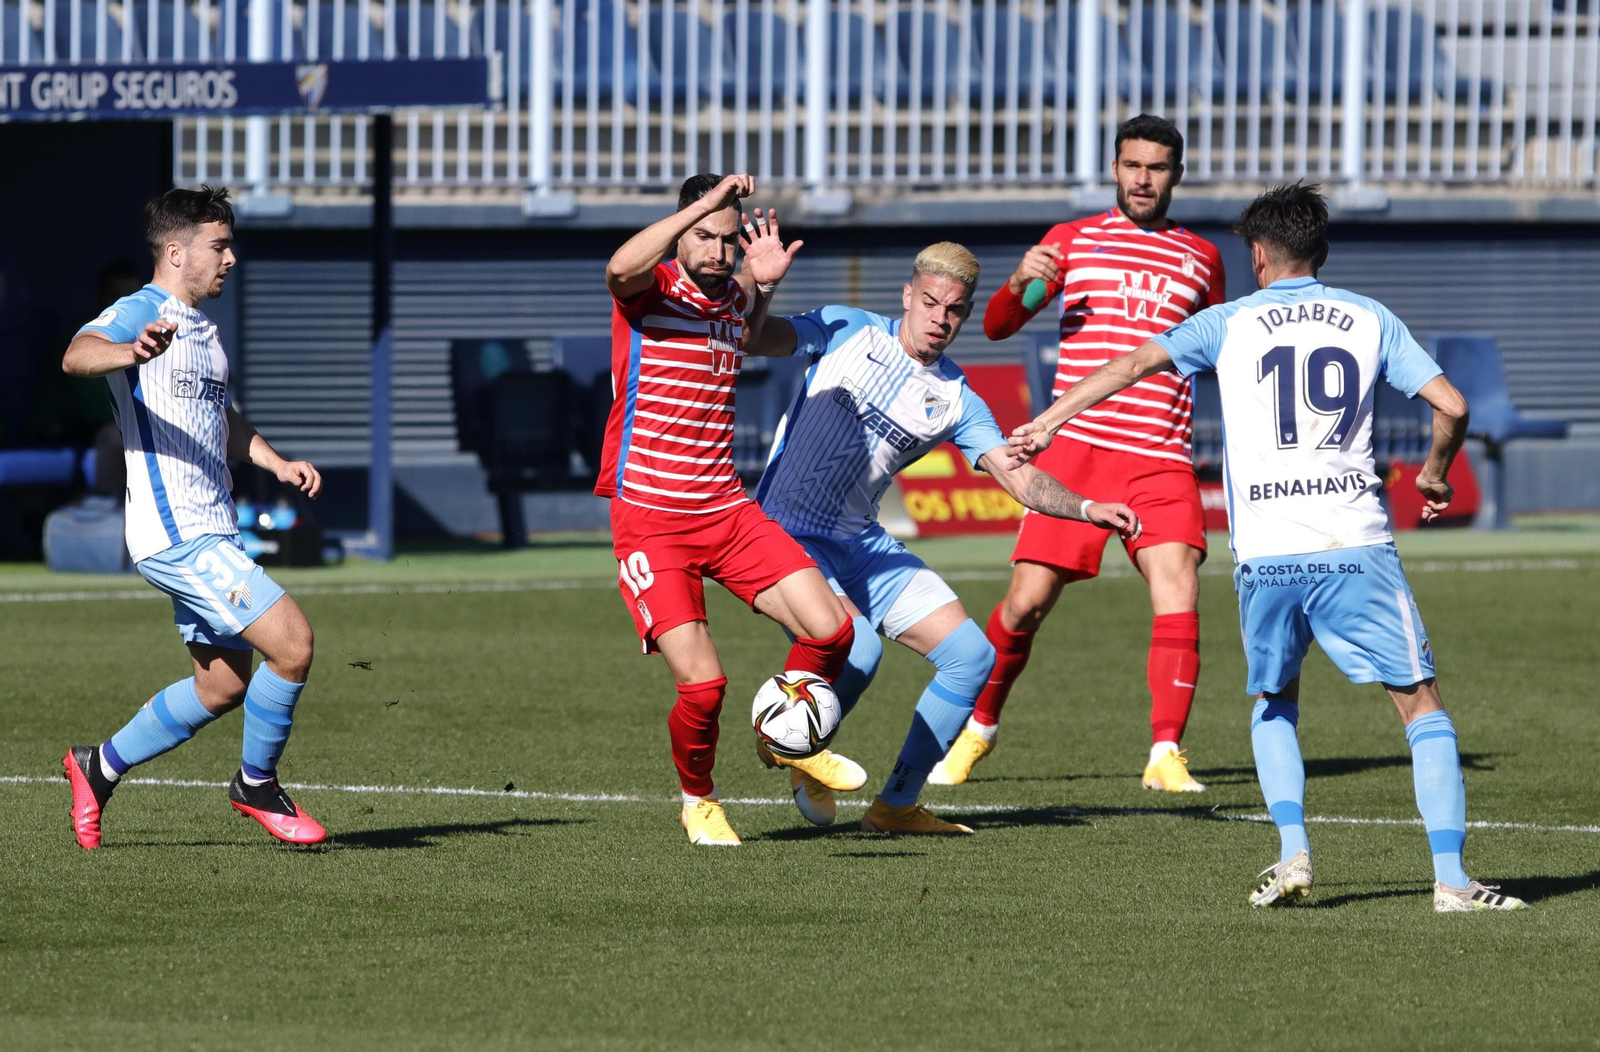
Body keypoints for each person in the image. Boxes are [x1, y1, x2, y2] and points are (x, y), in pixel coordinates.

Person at [1005, 182, 1526, 912]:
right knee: (1419, 705)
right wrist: (1435, 473)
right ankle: (1451, 881)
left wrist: (1048, 422)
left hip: (1267, 554)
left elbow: (1126, 367)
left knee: (1275, 700)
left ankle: (1291, 857)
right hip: (1353, 544)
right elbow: (1453, 404)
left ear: (1257, 254)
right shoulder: (1367, 316)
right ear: (1323, 251)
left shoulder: (1225, 322)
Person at [748, 242, 1140, 834]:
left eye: (953, 310)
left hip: (859, 541)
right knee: (859, 648)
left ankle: (895, 805)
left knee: (971, 657)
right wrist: (764, 285)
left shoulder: (957, 398)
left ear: (965, 313)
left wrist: (1086, 507)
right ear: (907, 295)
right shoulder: (849, 329)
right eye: (929, 302)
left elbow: (1018, 476)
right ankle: (796, 748)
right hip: (782, 531)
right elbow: (756, 338)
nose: (939, 318)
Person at [939, 114, 1226, 793]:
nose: (1144, 178)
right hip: (1078, 452)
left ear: (1176, 174)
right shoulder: (1071, 242)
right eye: (1133, 165)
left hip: (1161, 454)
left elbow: (1219, 344)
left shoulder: (1203, 259)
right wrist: (1018, 282)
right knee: (1025, 604)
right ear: (1115, 168)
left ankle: (1165, 753)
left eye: (1157, 167)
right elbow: (999, 324)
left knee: (1178, 586)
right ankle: (979, 729)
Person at [598, 173, 862, 847]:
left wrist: (765, 285)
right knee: (704, 688)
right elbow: (619, 266)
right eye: (705, 237)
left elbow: (751, 332)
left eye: (728, 239)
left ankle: (786, 737)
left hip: (726, 510)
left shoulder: (731, 301)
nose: (719, 252)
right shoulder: (648, 293)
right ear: (683, 231)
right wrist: (703, 206)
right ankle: (699, 800)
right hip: (652, 520)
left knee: (833, 631)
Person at [60, 186, 327, 848]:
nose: (230, 259)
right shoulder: (141, 311)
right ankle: (256, 785)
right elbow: (78, 353)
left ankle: (98, 766)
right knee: (292, 644)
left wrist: (273, 461)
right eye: (219, 246)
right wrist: (130, 352)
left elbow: (222, 419)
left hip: (210, 526)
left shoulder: (204, 334)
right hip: (176, 531)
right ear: (176, 252)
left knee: (222, 685)